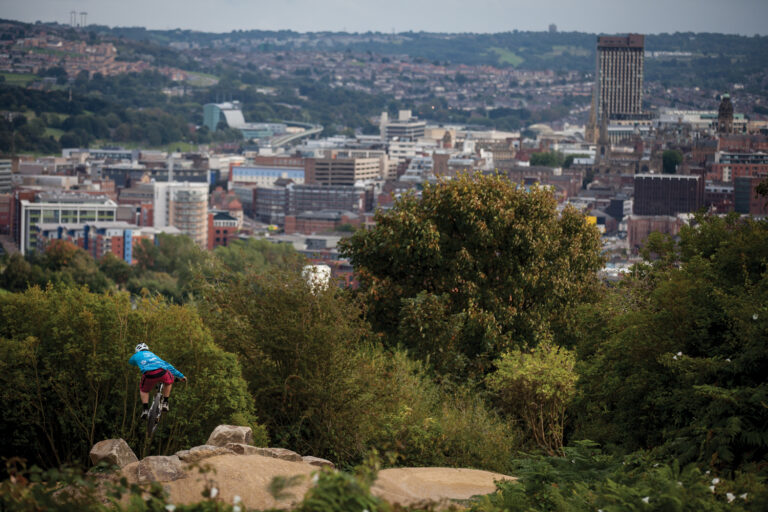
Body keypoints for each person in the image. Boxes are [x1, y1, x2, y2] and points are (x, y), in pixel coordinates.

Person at [129, 343, 186, 419]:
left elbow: (131, 362)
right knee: (169, 381)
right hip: (162, 372)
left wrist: (139, 362)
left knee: (144, 390)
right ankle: (165, 402)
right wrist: (181, 376)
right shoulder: (154, 356)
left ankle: (145, 409)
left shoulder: (136, 355)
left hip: (148, 374)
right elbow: (169, 366)